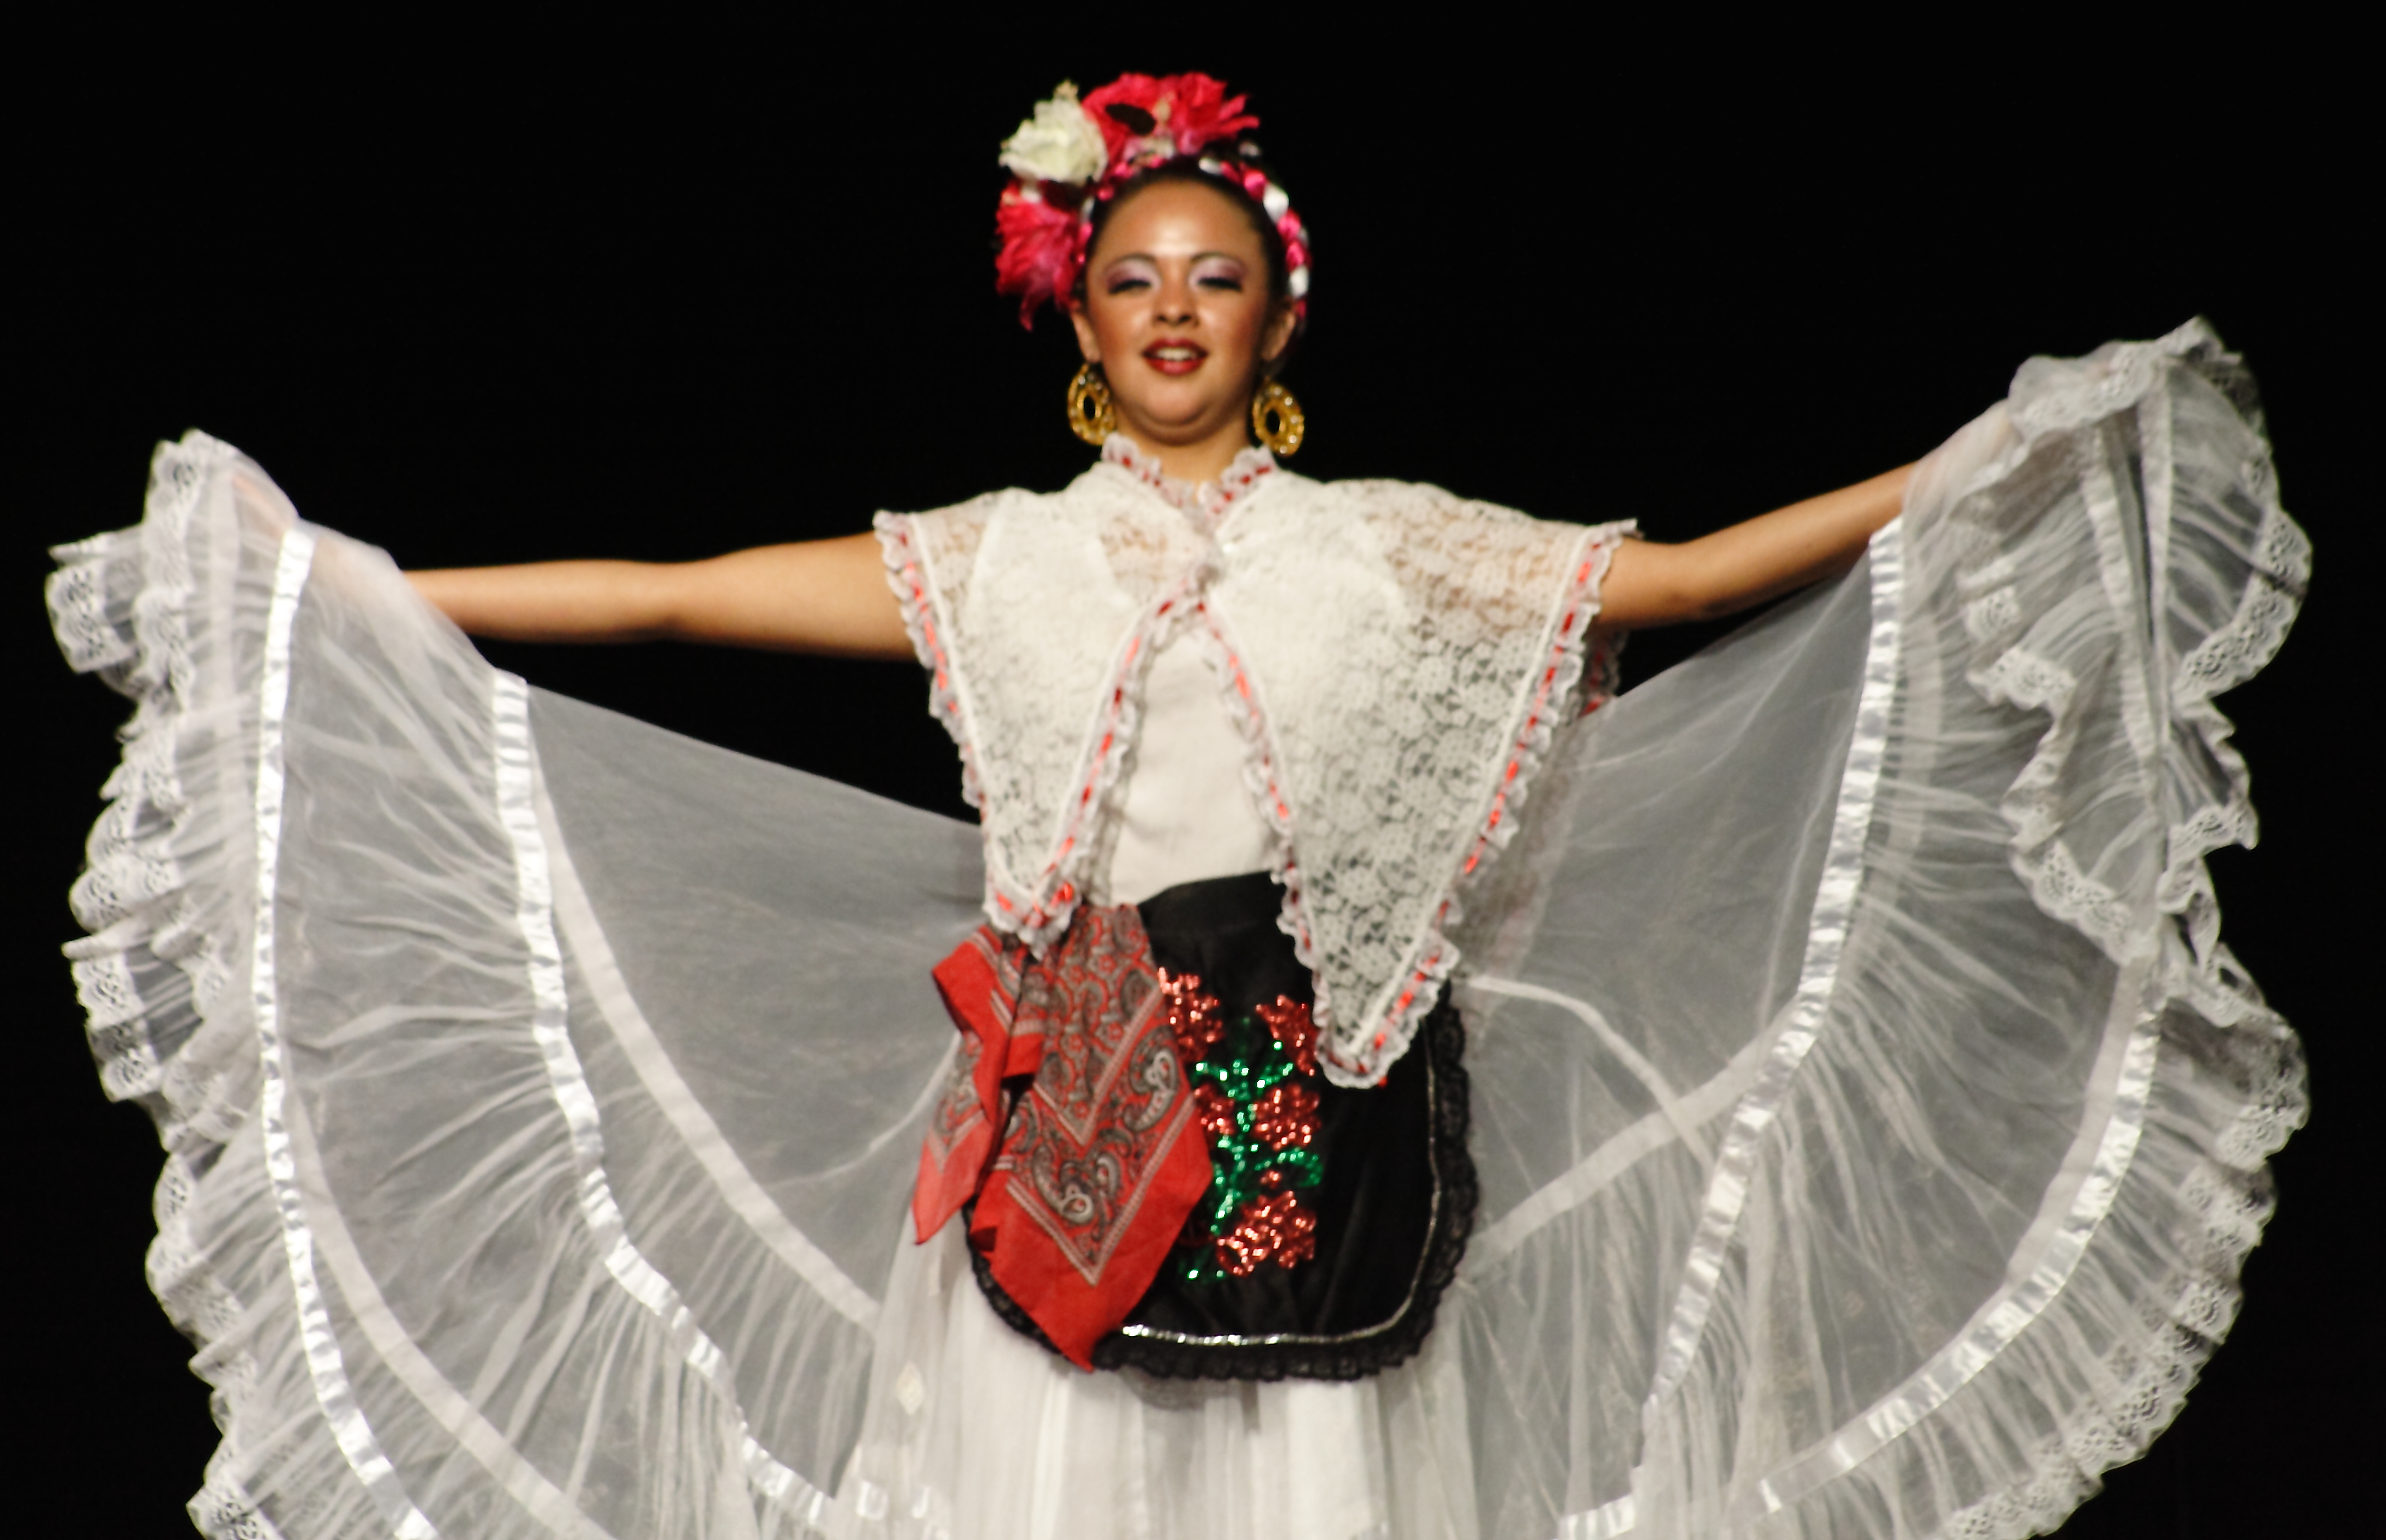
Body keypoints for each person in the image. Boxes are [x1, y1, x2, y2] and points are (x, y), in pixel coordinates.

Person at [47, 73, 2307, 1540]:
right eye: (1131, 275)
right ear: (1074, 313)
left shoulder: (1394, 543)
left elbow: (1696, 571)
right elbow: (664, 594)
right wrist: (335, 589)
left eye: (1213, 278)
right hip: (1077, 1110)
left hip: (1316, 1096)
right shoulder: (999, 558)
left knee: (1304, 1489)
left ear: (1275, 317)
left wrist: (1994, 457)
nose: (1171, 309)